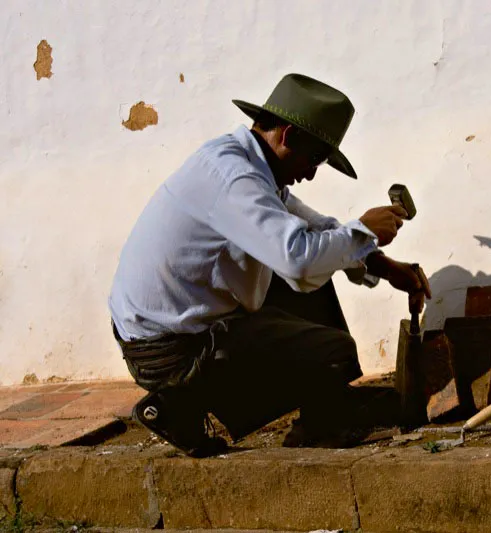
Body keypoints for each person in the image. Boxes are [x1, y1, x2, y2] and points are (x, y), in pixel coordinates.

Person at [108, 73, 431, 457]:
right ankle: (177, 403)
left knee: (316, 272)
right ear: (288, 137)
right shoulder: (234, 177)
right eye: (314, 160)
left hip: (169, 330)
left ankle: (322, 412)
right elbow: (297, 259)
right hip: (169, 352)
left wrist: (380, 262)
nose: (310, 174)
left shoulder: (249, 165)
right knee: (333, 347)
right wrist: (365, 231)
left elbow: (312, 228)